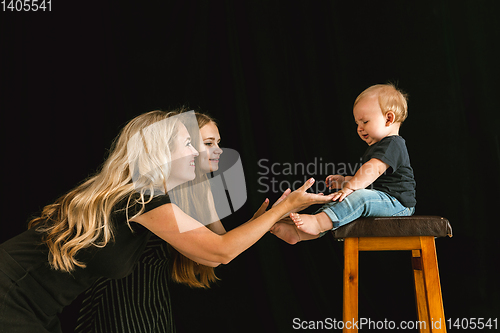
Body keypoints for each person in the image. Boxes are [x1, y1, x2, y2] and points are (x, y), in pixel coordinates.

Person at [0, 109, 334, 333]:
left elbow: (216, 245)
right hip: (11, 294)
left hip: (39, 308)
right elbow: (219, 251)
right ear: (157, 151)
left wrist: (271, 221)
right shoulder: (141, 198)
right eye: (189, 144)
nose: (195, 153)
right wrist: (281, 208)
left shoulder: (153, 196)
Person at [75, 112, 264, 333]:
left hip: (153, 296)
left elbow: (221, 244)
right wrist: (277, 214)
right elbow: (219, 252)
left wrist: (260, 223)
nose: (218, 149)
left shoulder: (200, 190)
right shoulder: (157, 195)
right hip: (122, 295)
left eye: (218, 142)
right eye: (207, 143)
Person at [271, 84, 416, 244]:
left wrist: (351, 186)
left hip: (397, 204)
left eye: (365, 121)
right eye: (357, 124)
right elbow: (370, 180)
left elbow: (372, 171)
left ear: (389, 118)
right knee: (339, 200)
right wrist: (346, 181)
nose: (360, 129)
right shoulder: (380, 146)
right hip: (381, 198)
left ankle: (318, 223)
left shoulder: (393, 144)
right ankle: (299, 234)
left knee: (359, 196)